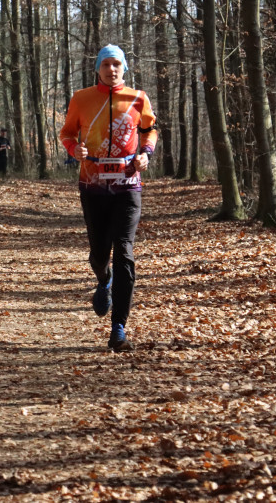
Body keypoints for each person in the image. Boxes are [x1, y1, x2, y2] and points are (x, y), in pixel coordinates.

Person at [59, 44, 157, 352]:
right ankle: (104, 280)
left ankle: (119, 328)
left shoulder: (138, 98)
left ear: (124, 68)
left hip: (128, 187)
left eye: (117, 65)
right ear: (98, 69)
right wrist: (75, 150)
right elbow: (67, 134)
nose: (111, 70)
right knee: (99, 254)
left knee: (125, 252)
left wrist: (146, 154)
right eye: (106, 65)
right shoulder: (82, 99)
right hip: (93, 186)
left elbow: (150, 130)